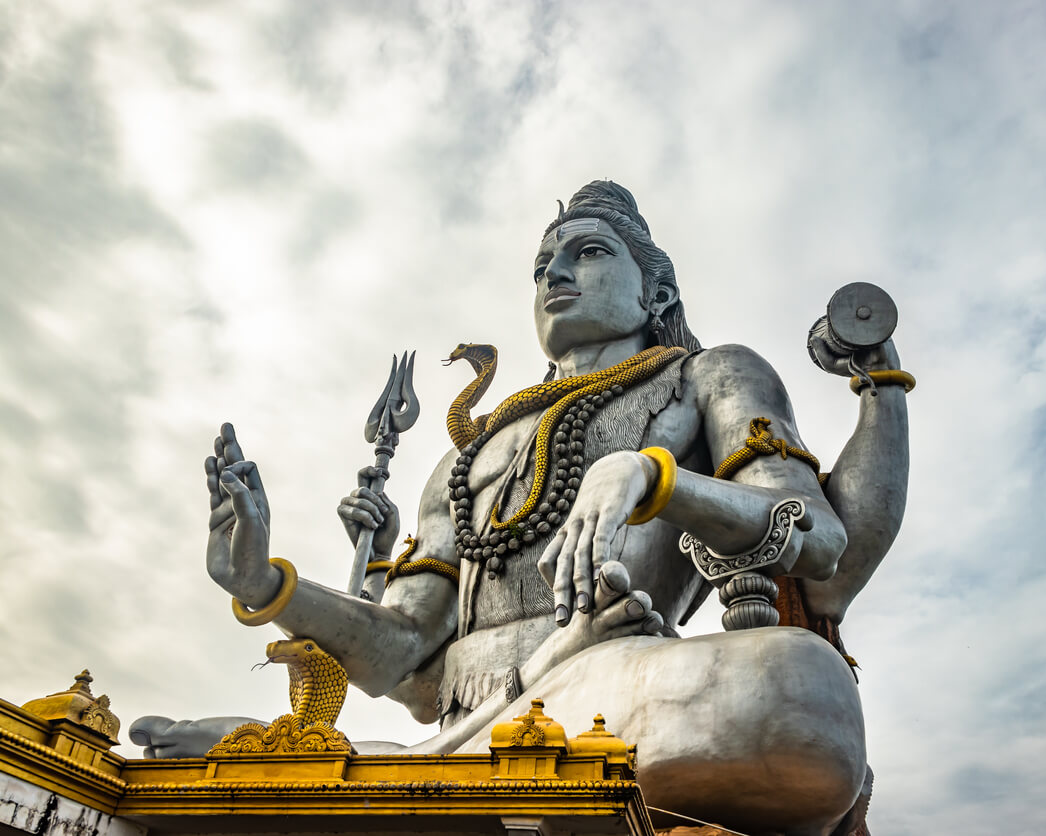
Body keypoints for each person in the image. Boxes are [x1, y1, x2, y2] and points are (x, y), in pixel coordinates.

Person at [137, 182, 910, 836]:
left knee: (800, 691)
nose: (556, 273)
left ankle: (359, 775)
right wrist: (265, 587)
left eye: (589, 252)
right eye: (542, 264)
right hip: (474, 720)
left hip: (616, 687)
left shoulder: (710, 377)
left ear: (658, 291)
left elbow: (817, 538)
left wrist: (652, 475)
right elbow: (406, 656)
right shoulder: (464, 459)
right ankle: (397, 771)